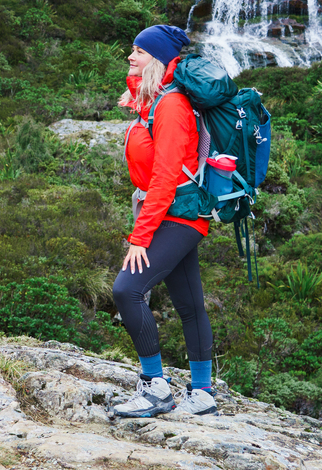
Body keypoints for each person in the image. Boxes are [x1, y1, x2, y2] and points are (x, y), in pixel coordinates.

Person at [110, 24, 217, 418]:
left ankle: (155, 388)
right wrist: (137, 94)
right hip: (177, 215)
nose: (130, 56)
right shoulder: (157, 99)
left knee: (127, 290)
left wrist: (141, 237)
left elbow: (166, 177)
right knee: (190, 305)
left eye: (138, 51)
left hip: (178, 216)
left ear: (156, 58)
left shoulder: (171, 105)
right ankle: (203, 395)